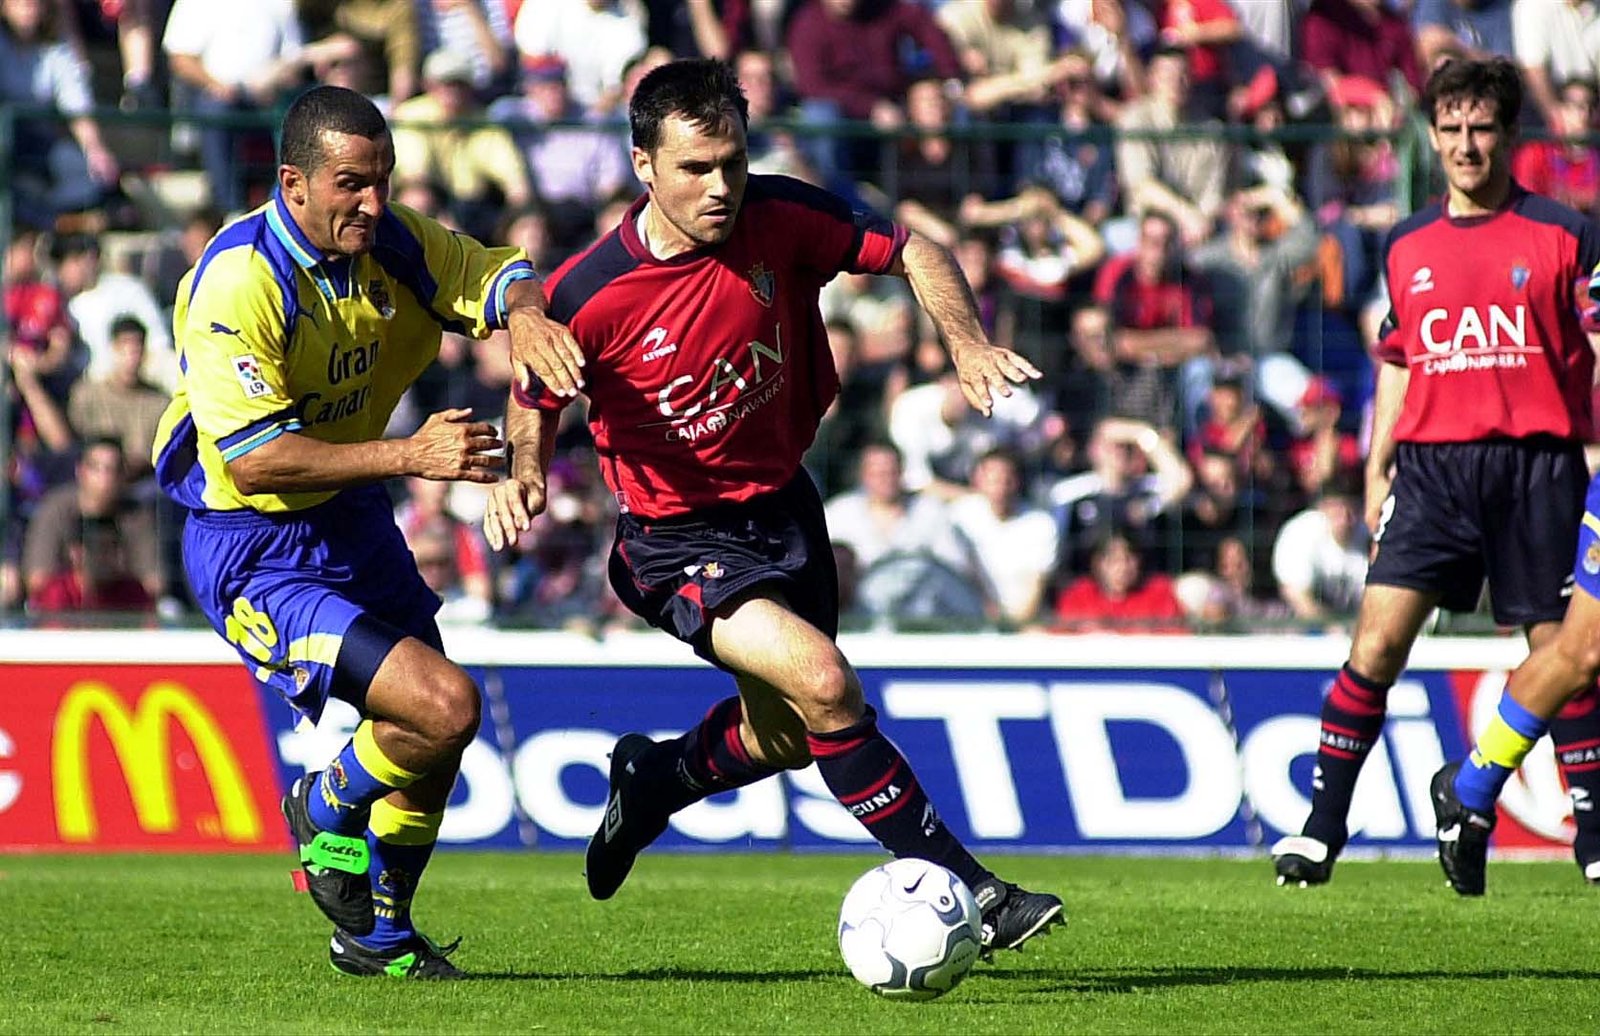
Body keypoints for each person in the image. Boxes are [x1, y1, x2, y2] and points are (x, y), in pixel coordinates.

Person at [484, 57, 1063, 954]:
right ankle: (976, 893)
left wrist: (968, 343)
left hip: (785, 508)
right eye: (695, 168)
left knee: (787, 733)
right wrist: (523, 470)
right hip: (675, 540)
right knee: (826, 682)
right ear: (644, 166)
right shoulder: (589, 293)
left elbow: (914, 248)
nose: (720, 187)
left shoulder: (782, 215)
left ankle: (655, 781)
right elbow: (533, 393)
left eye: (733, 162)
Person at [149, 84, 573, 977]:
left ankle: (378, 933)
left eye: (383, 181)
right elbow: (257, 461)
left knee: (437, 733)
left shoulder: (399, 244)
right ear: (292, 181)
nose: (373, 205)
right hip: (253, 538)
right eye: (352, 184)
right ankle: (323, 806)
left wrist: (527, 315)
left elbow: (501, 271)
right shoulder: (240, 280)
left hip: (349, 516)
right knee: (445, 703)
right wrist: (411, 454)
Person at [1271, 58, 1600, 891]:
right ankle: (1321, 827)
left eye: (1481, 127)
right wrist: (1377, 463)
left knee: (1563, 653)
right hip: (1432, 473)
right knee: (1376, 644)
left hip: (1539, 467)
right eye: (1449, 127)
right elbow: (1398, 357)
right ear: (1431, 134)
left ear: (1510, 136)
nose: (1465, 144)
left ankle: (1591, 832)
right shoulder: (1407, 243)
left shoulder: (1565, 233)